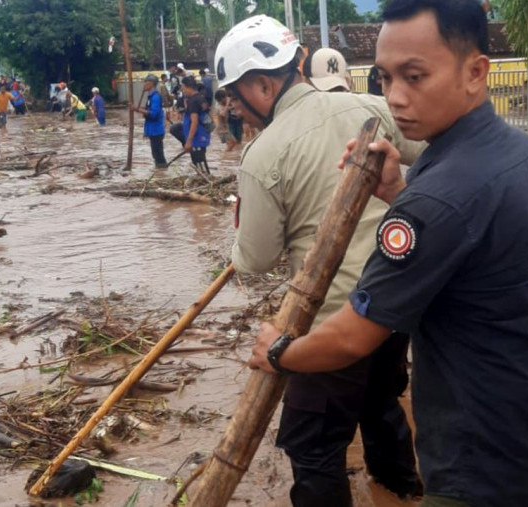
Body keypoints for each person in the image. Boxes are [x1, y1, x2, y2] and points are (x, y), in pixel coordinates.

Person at [247, 2, 528, 506]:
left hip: (481, 465)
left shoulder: (434, 201)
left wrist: (280, 353)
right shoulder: (521, 154)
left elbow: (350, 338)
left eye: (415, 76)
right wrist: (396, 191)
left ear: (476, 72)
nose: (395, 98)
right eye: (385, 79)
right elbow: (467, 235)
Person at [215, 14, 426, 505]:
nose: (233, 108)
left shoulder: (264, 155)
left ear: (263, 85)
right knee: (381, 404)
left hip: (331, 324)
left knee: (313, 444)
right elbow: (435, 156)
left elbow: (255, 261)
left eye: (233, 95)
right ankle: (402, 489)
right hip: (396, 310)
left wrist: (241, 237)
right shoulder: (373, 108)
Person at [131, 74, 167, 169]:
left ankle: (162, 171)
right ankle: (161, 173)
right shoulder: (150, 97)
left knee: (158, 156)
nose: (143, 84)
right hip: (152, 130)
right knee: (156, 155)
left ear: (150, 84)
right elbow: (148, 112)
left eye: (145, 82)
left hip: (156, 130)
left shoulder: (155, 97)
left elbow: (153, 114)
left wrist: (137, 109)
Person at [179, 76, 211, 175]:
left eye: (183, 88)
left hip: (197, 137)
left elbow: (194, 122)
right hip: (203, 135)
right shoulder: (201, 98)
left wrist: (188, 141)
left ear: (188, 87)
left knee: (200, 166)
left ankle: (205, 181)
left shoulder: (193, 101)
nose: (183, 91)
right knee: (201, 163)